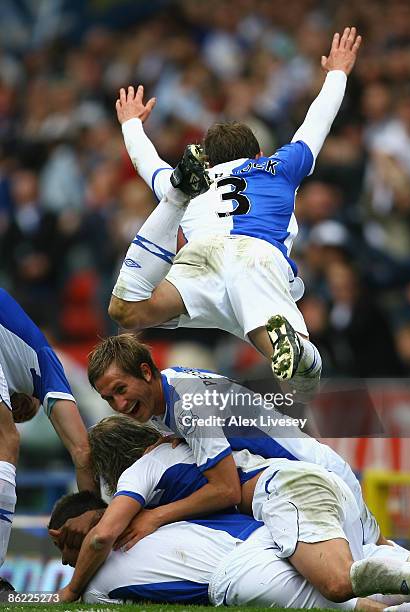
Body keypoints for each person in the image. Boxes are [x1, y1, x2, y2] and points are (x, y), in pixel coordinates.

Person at [108, 27, 362, 394]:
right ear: (258, 154)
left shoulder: (191, 178)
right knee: (301, 382)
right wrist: (338, 72)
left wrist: (131, 123)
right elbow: (317, 121)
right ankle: (297, 350)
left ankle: (282, 346)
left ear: (208, 161)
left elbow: (145, 160)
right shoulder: (280, 165)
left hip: (198, 261)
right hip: (256, 257)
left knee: (127, 312)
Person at [82, 334, 385, 553]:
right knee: (382, 555)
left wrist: (156, 516)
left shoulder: (187, 403)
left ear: (146, 372)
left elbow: (226, 491)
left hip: (318, 477)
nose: (119, 404)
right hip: (311, 473)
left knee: (369, 568)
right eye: (108, 398)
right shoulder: (169, 386)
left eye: (121, 389)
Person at [53, 434, 410, 606]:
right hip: (312, 483)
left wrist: (69, 591)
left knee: (343, 587)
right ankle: (408, 566)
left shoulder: (149, 470)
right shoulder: (185, 446)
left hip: (289, 491)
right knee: (370, 560)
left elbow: (227, 491)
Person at [0, 288, 97, 588]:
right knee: (6, 442)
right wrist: (93, 524)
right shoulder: (46, 363)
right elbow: (82, 451)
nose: (17, 413)